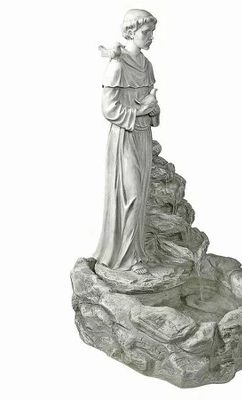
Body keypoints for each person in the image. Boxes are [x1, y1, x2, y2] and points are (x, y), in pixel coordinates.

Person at [93, 9, 159, 275]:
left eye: (153, 32)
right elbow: (109, 109)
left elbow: (150, 105)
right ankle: (126, 258)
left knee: (142, 195)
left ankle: (137, 253)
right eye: (146, 32)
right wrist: (141, 111)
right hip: (124, 137)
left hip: (143, 136)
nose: (151, 36)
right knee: (131, 196)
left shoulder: (147, 65)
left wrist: (154, 110)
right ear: (131, 32)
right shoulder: (118, 65)